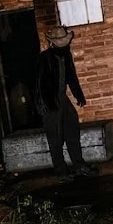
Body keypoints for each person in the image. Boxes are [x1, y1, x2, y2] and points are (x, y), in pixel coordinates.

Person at [34, 25, 97, 180]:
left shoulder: (66, 55)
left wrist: (78, 95)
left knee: (72, 129)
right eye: (59, 41)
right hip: (49, 101)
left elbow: (71, 77)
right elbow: (38, 83)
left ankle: (78, 165)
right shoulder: (45, 58)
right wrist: (42, 105)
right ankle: (61, 172)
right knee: (55, 138)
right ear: (53, 42)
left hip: (62, 97)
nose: (63, 44)